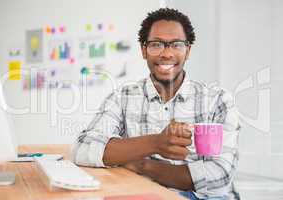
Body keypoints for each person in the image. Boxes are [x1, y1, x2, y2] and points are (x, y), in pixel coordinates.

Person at [71, 8, 240, 200]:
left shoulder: (218, 100)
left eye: (176, 44)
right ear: (144, 50)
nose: (166, 53)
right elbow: (82, 149)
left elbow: (219, 177)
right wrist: (155, 143)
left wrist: (143, 165)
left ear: (188, 50)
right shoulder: (123, 97)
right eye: (156, 44)